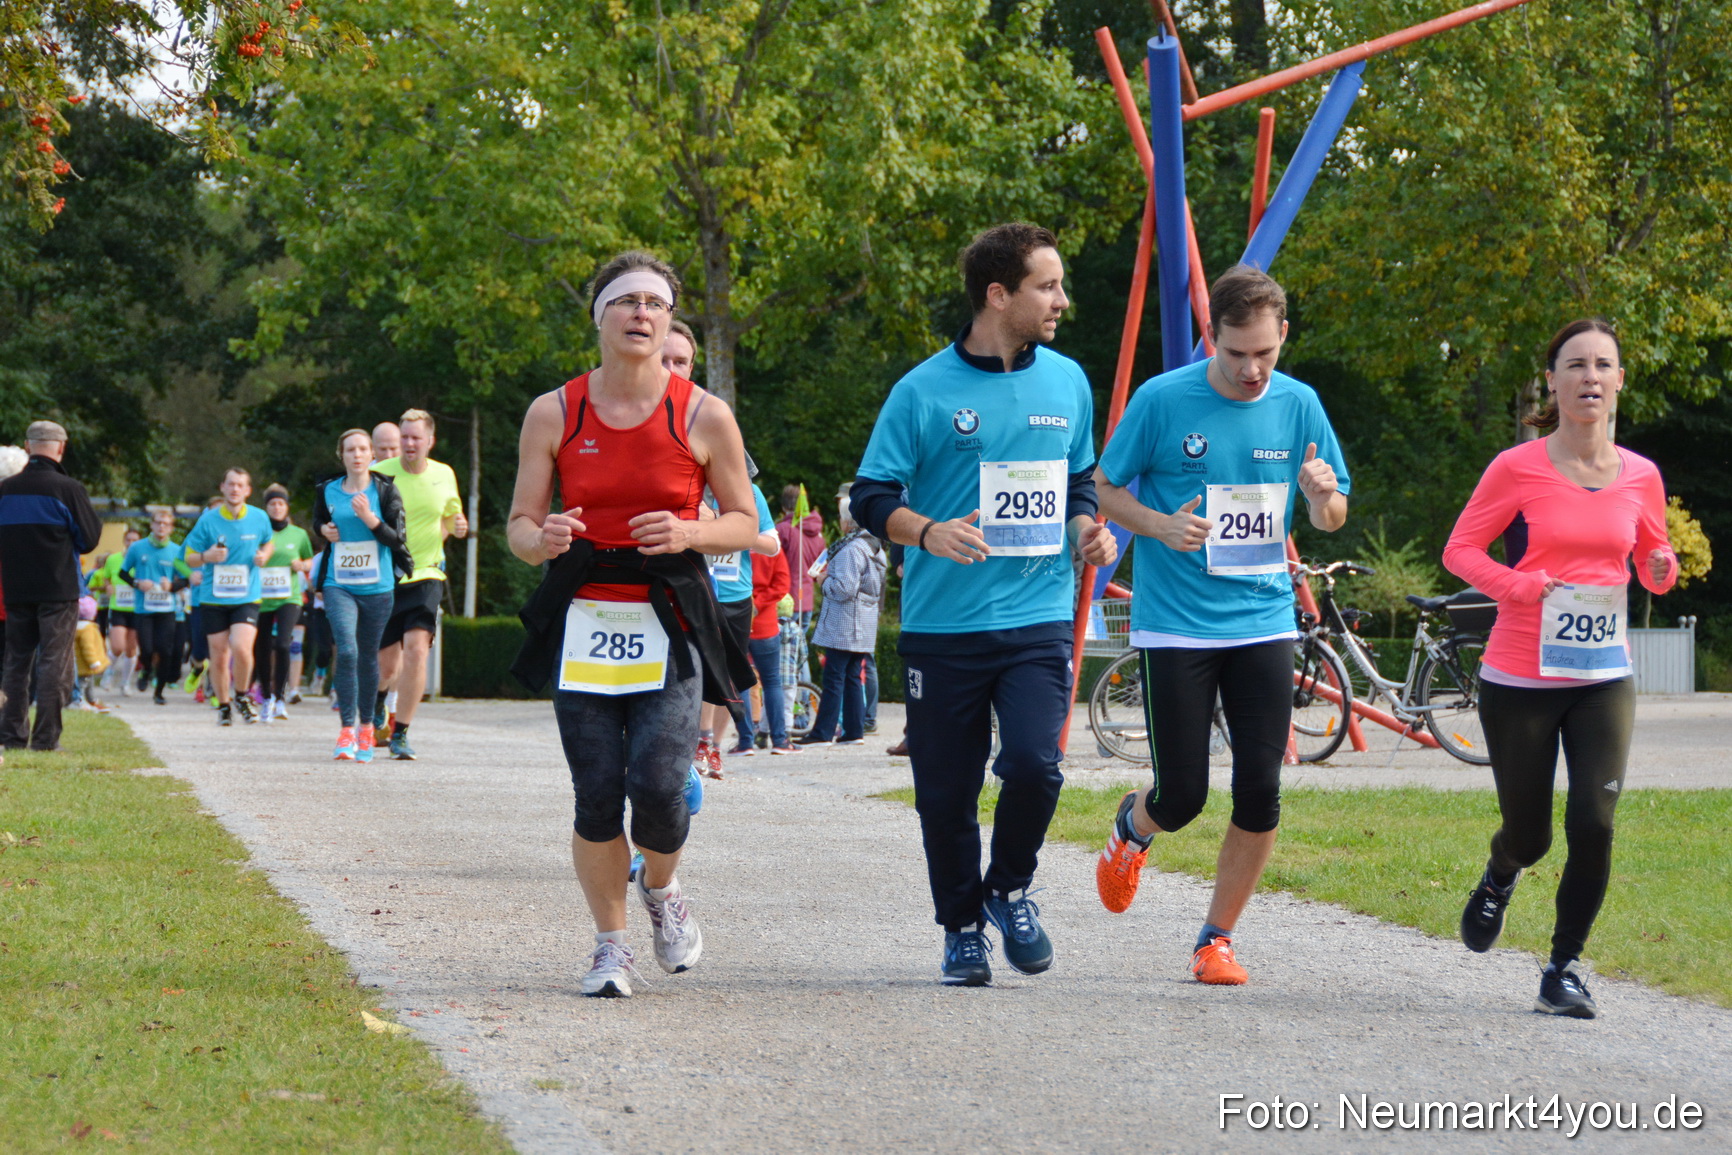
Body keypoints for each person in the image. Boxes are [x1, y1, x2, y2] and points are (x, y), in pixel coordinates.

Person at [851, 223, 1117, 986]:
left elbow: (1080, 480)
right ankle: (962, 926)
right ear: (999, 295)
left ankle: (1008, 888)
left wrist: (1085, 530)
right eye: (1048, 285)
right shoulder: (922, 390)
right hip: (943, 629)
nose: (1062, 299)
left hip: (1037, 617)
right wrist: (926, 531)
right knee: (946, 792)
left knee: (1036, 764)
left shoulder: (1067, 381)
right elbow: (871, 495)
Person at [505, 249, 758, 998]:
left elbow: (744, 523)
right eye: (626, 301)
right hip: (584, 611)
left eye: (655, 302)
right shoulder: (555, 411)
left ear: (670, 320)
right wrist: (541, 536)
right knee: (595, 789)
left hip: (670, 612)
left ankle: (663, 887)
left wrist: (688, 534)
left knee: (658, 784)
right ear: (600, 318)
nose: (642, 313)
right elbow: (518, 526)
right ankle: (610, 945)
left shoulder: (704, 414)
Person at [1092, 264, 1349, 987]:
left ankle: (1216, 939)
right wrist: (1158, 525)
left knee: (1260, 788)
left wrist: (1324, 498)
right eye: (1237, 353)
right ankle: (1132, 827)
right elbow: (1106, 487)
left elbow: (1333, 514)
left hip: (1263, 619)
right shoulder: (1162, 399)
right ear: (1213, 338)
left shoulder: (1300, 404)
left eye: (1265, 352)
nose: (1251, 368)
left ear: (1283, 337)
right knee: (1183, 796)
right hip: (1176, 624)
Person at [1442, 319, 1675, 1019]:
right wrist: (1517, 586)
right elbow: (1461, 551)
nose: (1590, 377)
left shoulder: (1643, 475)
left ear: (1620, 380)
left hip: (1604, 673)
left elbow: (1649, 561)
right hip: (1519, 676)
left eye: (1604, 365)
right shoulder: (1517, 467)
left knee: (1595, 821)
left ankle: (1564, 967)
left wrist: (1659, 571)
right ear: (1554, 380)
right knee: (1531, 834)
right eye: (1576, 365)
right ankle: (1501, 870)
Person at [0, 421, 103, 752]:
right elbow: (88, 540)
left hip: (16, 589)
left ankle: (11, 737)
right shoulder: (68, 489)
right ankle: (45, 741)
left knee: (16, 664)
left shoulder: (5, 490)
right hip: (58, 589)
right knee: (53, 663)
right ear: (62, 447)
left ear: (27, 447)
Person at [373, 409, 467, 759]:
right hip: (387, 577)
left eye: (416, 437)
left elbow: (451, 516)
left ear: (430, 441)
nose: (409, 443)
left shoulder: (444, 474)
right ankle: (380, 698)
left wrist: (453, 529)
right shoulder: (380, 474)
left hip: (426, 574)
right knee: (386, 667)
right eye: (404, 437)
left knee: (416, 649)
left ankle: (401, 733)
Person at [313, 429, 411, 763]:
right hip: (338, 583)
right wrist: (323, 530)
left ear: (371, 455)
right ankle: (345, 730)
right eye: (350, 449)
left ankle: (367, 727)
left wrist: (370, 518)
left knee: (369, 656)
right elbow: (320, 522)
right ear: (341, 455)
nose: (356, 455)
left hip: (378, 587)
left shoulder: (385, 490)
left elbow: (397, 539)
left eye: (362, 449)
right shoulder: (327, 490)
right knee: (348, 650)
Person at [183, 468, 277, 725]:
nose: (235, 489)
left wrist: (264, 555)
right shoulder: (208, 521)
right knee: (219, 654)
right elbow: (188, 556)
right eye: (230, 484)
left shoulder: (259, 518)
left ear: (248, 490)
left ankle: (242, 695)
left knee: (241, 647)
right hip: (213, 597)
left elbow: (269, 542)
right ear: (222, 487)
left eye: (240, 485)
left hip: (247, 595)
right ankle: (224, 706)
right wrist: (205, 557)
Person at [796, 497, 885, 747]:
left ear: (848, 521)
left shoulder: (851, 549)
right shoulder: (873, 545)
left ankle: (823, 732)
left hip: (846, 623)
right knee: (853, 676)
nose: (839, 522)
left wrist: (823, 580)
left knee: (834, 676)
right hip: (863, 622)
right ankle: (854, 731)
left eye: (841, 518)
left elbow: (844, 589)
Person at [254, 485, 316, 721]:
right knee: (262, 647)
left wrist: (303, 566)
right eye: (272, 504)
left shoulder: (298, 534)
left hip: (289, 597)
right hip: (261, 598)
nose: (277, 507)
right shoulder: (258, 533)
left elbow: (309, 560)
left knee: (282, 645)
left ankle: (280, 698)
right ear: (266, 508)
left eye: (280, 503)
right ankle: (266, 698)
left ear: (286, 507)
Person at [120, 508, 190, 705]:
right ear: (151, 525)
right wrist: (137, 583)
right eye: (158, 523)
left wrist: (172, 586)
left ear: (171, 528)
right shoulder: (137, 548)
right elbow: (123, 573)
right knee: (148, 649)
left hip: (167, 609)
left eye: (166, 524)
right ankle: (146, 669)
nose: (161, 527)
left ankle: (159, 692)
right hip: (144, 609)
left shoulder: (177, 551)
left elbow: (186, 580)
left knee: (166, 651)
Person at [746, 517, 795, 754]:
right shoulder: (771, 547)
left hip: (737, 620)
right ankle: (780, 740)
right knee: (772, 683)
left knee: (740, 682)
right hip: (765, 622)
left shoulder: (733, 543)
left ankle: (745, 742)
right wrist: (761, 603)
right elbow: (783, 583)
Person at [90, 528, 141, 694]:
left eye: (135, 541)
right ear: (124, 541)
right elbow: (106, 576)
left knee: (131, 649)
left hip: (137, 609)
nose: (131, 544)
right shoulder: (113, 559)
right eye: (129, 540)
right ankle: (108, 674)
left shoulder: (143, 559)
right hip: (118, 607)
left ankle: (125, 683)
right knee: (117, 646)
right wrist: (108, 586)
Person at [776, 484, 826, 626]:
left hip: (785, 601)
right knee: (800, 645)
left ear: (784, 506)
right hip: (807, 600)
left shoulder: (782, 530)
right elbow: (821, 568)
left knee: (783, 646)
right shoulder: (818, 534)